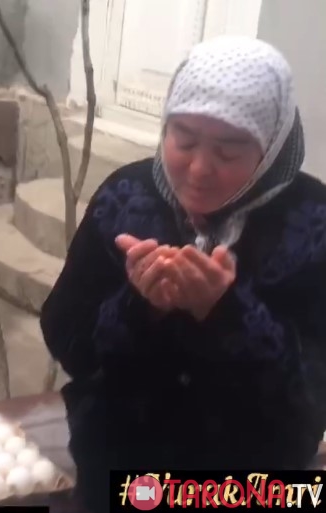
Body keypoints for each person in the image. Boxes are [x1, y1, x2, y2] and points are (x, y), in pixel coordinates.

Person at [40, 35, 326, 512]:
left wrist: (229, 315)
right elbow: (67, 338)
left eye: (228, 152)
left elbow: (311, 399)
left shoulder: (314, 223)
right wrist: (137, 307)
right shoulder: (124, 198)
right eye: (184, 140)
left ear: (272, 147)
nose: (198, 168)